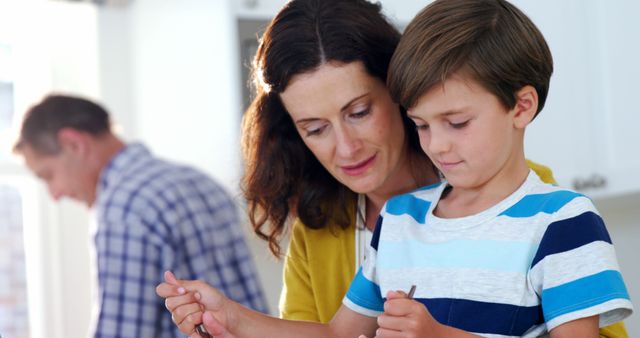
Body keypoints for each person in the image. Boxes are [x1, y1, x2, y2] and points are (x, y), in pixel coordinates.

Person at [158, 0, 634, 336]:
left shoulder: (549, 211)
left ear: (400, 89)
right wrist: (231, 320)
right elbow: (334, 336)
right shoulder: (388, 221)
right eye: (315, 127)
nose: (345, 148)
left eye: (359, 111)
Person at [13, 94, 268, 338]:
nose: (54, 194)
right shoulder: (198, 180)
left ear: (74, 144)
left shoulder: (124, 208)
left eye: (48, 175)